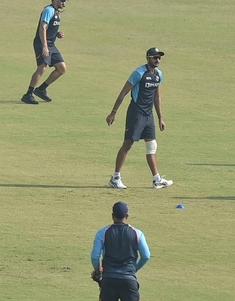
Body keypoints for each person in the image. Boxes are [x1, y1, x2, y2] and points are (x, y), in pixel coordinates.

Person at [106, 47, 173, 189]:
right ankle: (115, 178)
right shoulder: (139, 73)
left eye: (159, 57)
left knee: (152, 145)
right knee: (128, 144)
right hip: (136, 113)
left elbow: (157, 97)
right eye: (155, 57)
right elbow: (123, 92)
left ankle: (157, 179)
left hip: (148, 115)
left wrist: (160, 117)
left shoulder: (159, 75)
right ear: (148, 58)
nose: (157, 60)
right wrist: (113, 112)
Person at [90, 201, 150, 301]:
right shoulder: (137, 233)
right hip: (129, 280)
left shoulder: (102, 232)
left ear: (112, 216)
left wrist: (97, 271)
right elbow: (146, 256)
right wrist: (134, 269)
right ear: (127, 216)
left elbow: (95, 256)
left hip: (109, 279)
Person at [21, 0, 70, 105]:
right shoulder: (49, 10)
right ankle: (28, 94)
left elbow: (49, 28)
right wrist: (44, 46)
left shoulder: (57, 12)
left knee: (61, 68)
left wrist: (56, 34)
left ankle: (41, 89)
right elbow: (42, 27)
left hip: (51, 44)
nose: (64, 3)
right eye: (62, 0)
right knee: (42, 67)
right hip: (42, 44)